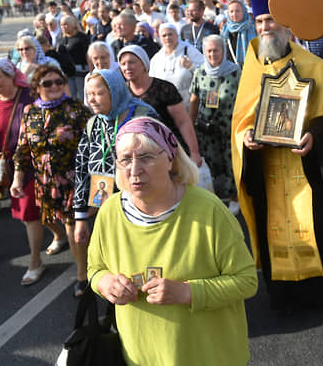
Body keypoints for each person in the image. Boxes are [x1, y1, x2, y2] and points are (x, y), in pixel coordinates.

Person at [230, 0, 323, 309]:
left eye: (272, 20)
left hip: (306, 170)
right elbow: (239, 125)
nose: (266, 28)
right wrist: (247, 139)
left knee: (317, 224)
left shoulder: (314, 67)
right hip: (267, 172)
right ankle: (285, 298)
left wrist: (315, 136)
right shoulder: (251, 70)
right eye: (260, 22)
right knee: (273, 228)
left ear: (287, 24)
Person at [88, 117, 257, 365]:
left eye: (145, 157)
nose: (134, 170)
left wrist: (188, 292)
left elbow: (246, 281)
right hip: (140, 357)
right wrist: (105, 283)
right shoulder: (109, 212)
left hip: (209, 356)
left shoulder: (208, 210)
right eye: (125, 159)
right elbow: (94, 269)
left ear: (170, 159)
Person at [74, 69, 157, 290]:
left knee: (141, 255)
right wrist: (80, 216)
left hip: (140, 202)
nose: (92, 99)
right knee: (114, 257)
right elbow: (82, 167)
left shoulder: (142, 116)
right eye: (89, 93)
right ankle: (117, 305)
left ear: (115, 90)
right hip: (106, 204)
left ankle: (145, 295)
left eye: (99, 93)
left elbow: (161, 159)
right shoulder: (94, 123)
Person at [12, 64, 91, 293]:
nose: (55, 86)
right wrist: (17, 179)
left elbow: (93, 144)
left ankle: (82, 276)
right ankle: (62, 240)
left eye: (59, 81)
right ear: (37, 87)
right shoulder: (30, 112)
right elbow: (23, 148)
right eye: (48, 83)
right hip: (44, 183)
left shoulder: (76, 109)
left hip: (73, 181)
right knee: (48, 220)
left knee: (72, 226)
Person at [0, 58, 42, 283]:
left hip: (30, 165)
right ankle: (58, 234)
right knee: (32, 212)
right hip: (6, 165)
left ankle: (35, 261)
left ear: (10, 76)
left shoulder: (28, 97)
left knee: (29, 214)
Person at [118, 45, 202, 166]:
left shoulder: (164, 88)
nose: (127, 67)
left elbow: (183, 122)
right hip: (136, 155)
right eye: (123, 63)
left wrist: (194, 152)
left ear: (144, 64)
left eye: (132, 62)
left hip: (168, 151)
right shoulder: (122, 93)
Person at [189, 35, 241, 200]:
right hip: (207, 129)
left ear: (223, 50)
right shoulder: (200, 72)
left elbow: (244, 99)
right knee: (211, 163)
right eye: (208, 51)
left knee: (231, 163)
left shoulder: (235, 72)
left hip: (229, 128)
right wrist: (190, 126)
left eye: (216, 50)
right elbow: (194, 100)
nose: (212, 55)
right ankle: (212, 196)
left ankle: (234, 197)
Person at [149, 23, 204, 107]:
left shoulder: (189, 51)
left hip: (188, 105)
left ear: (177, 35)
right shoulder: (157, 58)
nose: (167, 38)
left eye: (170, 34)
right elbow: (151, 82)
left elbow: (205, 73)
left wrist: (191, 67)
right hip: (166, 106)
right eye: (164, 35)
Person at [56, 14, 91, 102]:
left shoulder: (82, 37)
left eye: (66, 24)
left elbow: (88, 54)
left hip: (80, 71)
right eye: (61, 25)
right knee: (71, 96)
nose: (63, 27)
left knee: (83, 96)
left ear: (73, 25)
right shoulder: (60, 39)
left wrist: (91, 70)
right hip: (66, 72)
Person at [221, 0, 256, 67]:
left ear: (244, 11)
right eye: (231, 11)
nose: (234, 14)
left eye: (238, 11)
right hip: (231, 70)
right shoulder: (225, 29)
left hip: (250, 67)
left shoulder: (253, 27)